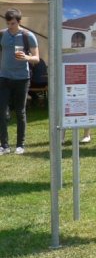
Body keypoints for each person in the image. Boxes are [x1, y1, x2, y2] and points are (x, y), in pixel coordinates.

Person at [0, 8, 39, 155]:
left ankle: (20, 145)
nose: (10, 26)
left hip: (22, 78)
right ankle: (4, 145)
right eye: (8, 23)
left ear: (19, 22)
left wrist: (26, 57)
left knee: (20, 111)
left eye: (13, 23)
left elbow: (36, 58)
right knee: (2, 111)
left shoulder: (28, 36)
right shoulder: (2, 34)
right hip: (4, 77)